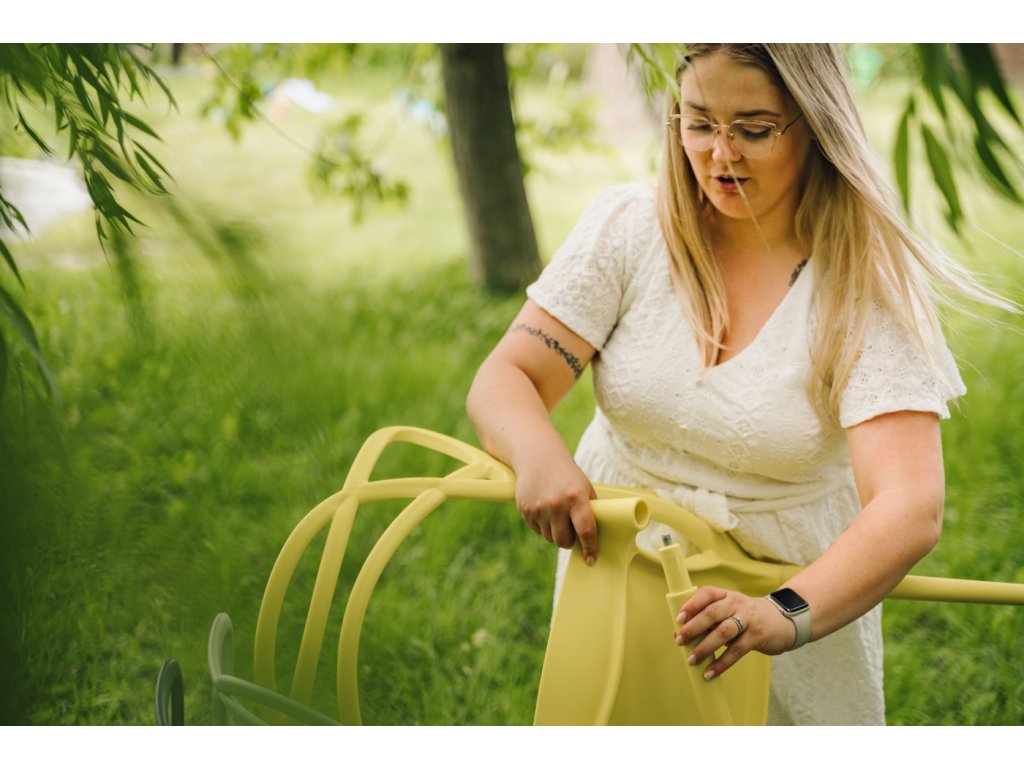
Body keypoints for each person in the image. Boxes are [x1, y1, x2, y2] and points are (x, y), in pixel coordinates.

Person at [466, 44, 998, 725]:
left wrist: (784, 613)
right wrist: (537, 452)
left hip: (785, 608)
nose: (720, 154)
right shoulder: (629, 228)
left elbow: (909, 504)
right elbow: (508, 376)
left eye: (753, 129)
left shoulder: (866, 285)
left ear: (817, 125)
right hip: (615, 585)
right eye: (698, 123)